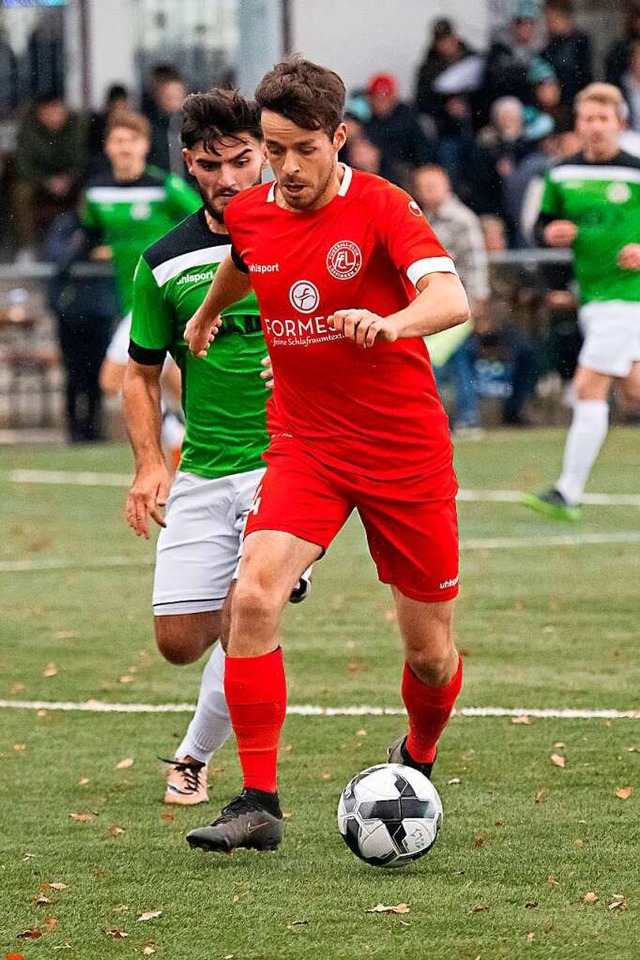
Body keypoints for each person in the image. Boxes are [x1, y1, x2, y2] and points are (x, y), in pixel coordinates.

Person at [183, 57, 469, 855]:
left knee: (431, 653)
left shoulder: (382, 206)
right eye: (274, 148)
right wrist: (207, 316)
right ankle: (260, 802)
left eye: (305, 148)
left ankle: (418, 753)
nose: (287, 166)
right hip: (307, 445)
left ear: (339, 137)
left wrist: (394, 324)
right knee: (252, 597)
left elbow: (451, 298)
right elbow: (246, 261)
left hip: (404, 452)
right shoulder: (254, 210)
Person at [123, 89, 311, 806]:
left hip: (293, 463)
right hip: (204, 465)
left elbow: (368, 316)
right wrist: (148, 464)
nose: (230, 178)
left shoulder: (305, 231)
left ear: (266, 152)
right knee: (180, 640)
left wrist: (308, 352)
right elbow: (140, 376)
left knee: (250, 609)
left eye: (243, 159)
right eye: (212, 164)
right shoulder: (164, 262)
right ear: (190, 165)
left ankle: (193, 757)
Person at [524, 83, 640, 521]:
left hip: (627, 297)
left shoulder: (636, 171)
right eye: (587, 119)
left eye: (603, 119)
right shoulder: (562, 173)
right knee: (633, 389)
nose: (594, 127)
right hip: (594, 296)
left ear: (620, 124)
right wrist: (549, 234)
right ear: (578, 123)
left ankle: (567, 492)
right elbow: (540, 225)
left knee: (587, 387)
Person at [81, 111, 200, 400]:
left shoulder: (165, 187)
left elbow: (203, 220)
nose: (124, 147)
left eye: (131, 140)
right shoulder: (96, 193)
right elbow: (89, 232)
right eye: (118, 140)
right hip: (129, 295)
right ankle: (179, 438)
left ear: (145, 145)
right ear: (107, 146)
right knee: (173, 382)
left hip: (162, 293)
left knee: (113, 379)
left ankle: (165, 436)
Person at [11, 93, 87, 261]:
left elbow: (81, 161)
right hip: (39, 182)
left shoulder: (75, 125)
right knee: (20, 193)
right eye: (49, 112)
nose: (55, 117)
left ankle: (85, 243)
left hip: (71, 182)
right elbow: (24, 165)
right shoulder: (28, 127)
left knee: (89, 192)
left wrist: (68, 179)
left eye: (58, 111)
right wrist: (47, 182)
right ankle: (27, 247)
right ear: (40, 113)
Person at [364, 72, 436, 187]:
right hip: (377, 171)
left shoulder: (408, 117)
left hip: (408, 170)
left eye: (385, 97)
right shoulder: (365, 119)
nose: (381, 102)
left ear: (394, 97)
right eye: (377, 97)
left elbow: (422, 148)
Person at [540, 0, 592, 108]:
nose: (548, 24)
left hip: (576, 100)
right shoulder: (548, 48)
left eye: (552, 20)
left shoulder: (580, 41)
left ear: (563, 17)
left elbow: (585, 74)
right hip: (556, 104)